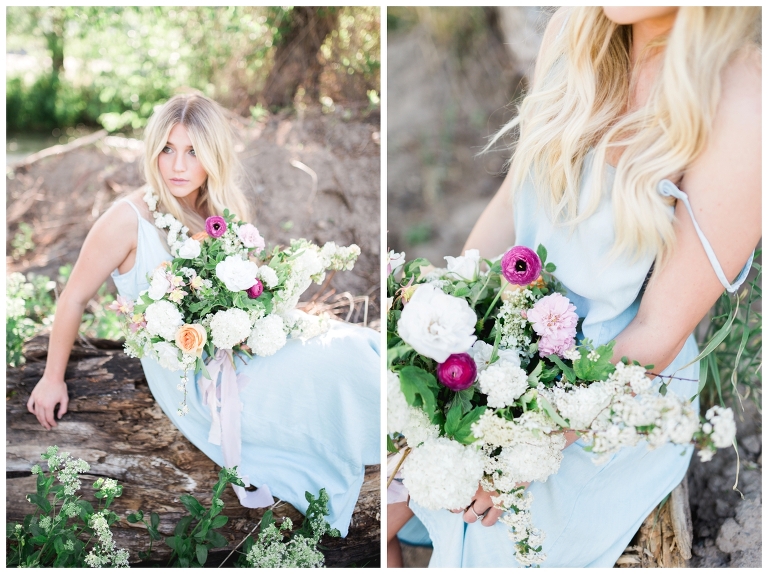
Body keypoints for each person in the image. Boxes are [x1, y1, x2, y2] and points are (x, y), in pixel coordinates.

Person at [388, 6, 760, 567]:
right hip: (513, 329)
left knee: (494, 546)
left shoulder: (744, 105)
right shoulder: (574, 29)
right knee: (391, 463)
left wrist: (514, 455)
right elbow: (513, 201)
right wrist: (439, 323)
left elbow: (656, 334)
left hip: (613, 387)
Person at [26, 93, 381, 535]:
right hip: (188, 377)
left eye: (193, 152)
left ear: (213, 156)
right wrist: (52, 377)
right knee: (335, 361)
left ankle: (391, 428)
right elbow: (73, 297)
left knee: (345, 345)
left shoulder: (214, 214)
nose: (178, 165)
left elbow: (245, 295)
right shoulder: (126, 219)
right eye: (168, 149)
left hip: (236, 350)